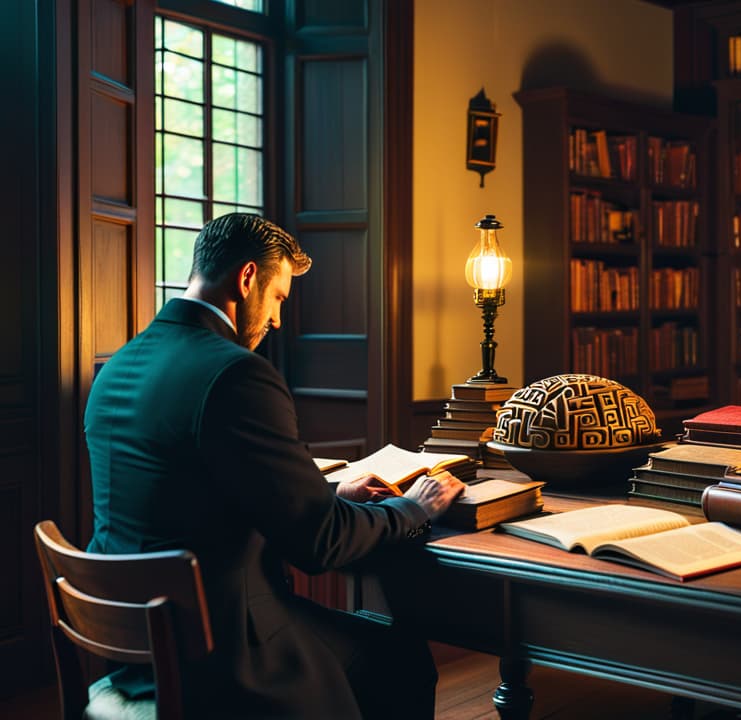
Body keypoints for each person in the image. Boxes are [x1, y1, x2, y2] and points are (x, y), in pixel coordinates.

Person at [84, 213, 465, 718]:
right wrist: (411, 509)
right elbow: (318, 544)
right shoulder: (236, 374)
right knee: (401, 660)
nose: (278, 320)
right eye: (279, 298)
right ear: (246, 279)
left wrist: (330, 497)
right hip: (221, 650)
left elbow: (190, 499)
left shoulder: (119, 367)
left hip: (129, 639)